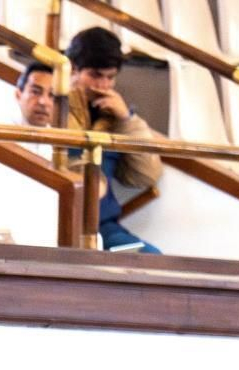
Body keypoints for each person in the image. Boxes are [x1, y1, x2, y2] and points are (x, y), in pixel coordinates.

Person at [65, 27, 163, 252]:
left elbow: (144, 176)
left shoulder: (115, 116)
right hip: (67, 221)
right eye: (95, 76)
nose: (103, 86)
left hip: (105, 226)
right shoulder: (55, 107)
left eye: (110, 78)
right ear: (73, 69)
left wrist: (127, 120)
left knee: (153, 259)